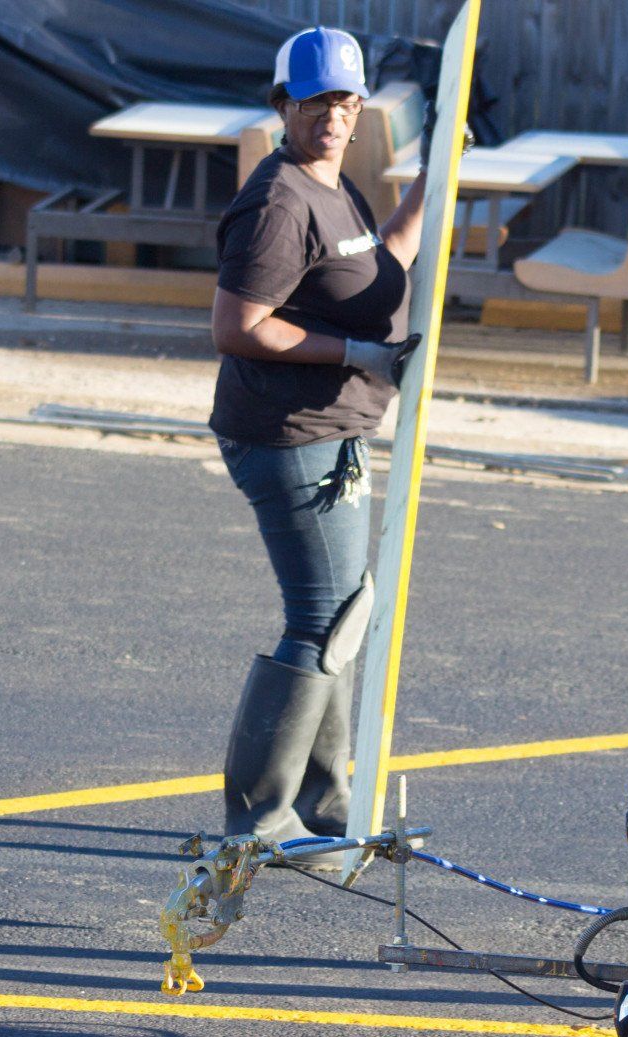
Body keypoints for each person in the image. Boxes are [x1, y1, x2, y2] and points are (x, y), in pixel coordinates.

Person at [210, 27, 426, 867]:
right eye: (312, 101)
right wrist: (352, 355)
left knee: (343, 618)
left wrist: (432, 188)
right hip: (287, 436)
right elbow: (237, 327)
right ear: (283, 106)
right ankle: (260, 825)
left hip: (333, 435)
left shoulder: (336, 191)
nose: (329, 115)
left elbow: (380, 269)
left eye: (343, 100)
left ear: (360, 107)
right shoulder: (279, 201)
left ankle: (327, 816)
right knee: (322, 621)